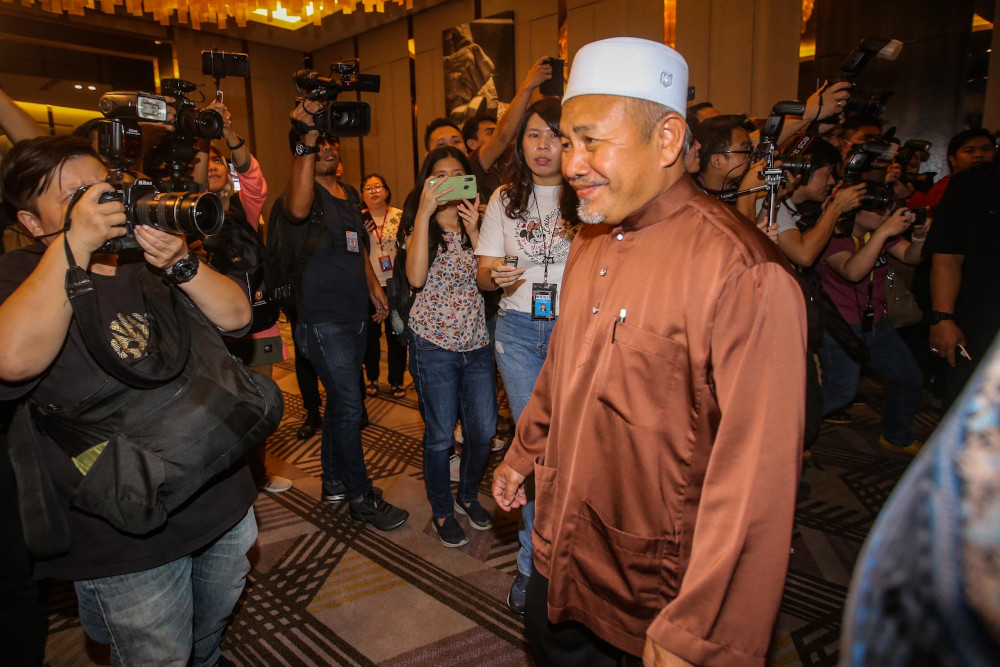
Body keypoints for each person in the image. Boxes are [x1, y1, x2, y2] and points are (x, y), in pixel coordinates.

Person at [492, 37, 807, 666]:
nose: (569, 162)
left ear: (667, 140)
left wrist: (701, 631)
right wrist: (522, 455)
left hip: (652, 589)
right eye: (565, 142)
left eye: (589, 141)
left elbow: (756, 480)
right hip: (560, 548)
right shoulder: (590, 239)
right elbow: (560, 374)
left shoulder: (742, 272)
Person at [0, 135, 259, 665]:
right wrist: (72, 247)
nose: (97, 203)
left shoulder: (145, 255)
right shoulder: (20, 273)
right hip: (124, 519)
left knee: (210, 627)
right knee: (156, 652)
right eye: (72, 196)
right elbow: (13, 360)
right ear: (31, 222)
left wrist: (182, 263)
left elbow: (237, 317)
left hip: (216, 483)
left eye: (101, 188)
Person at [282, 100, 408, 530]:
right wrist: (305, 138)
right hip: (321, 318)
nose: (327, 149)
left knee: (340, 404)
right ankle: (358, 495)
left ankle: (334, 481)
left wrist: (375, 289)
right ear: (305, 149)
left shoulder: (349, 194)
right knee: (352, 408)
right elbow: (296, 213)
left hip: (354, 315)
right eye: (318, 144)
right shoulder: (302, 192)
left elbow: (359, 251)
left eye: (331, 142)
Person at [474, 96, 570, 614]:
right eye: (533, 135)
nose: (542, 146)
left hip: (575, 333)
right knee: (536, 449)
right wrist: (498, 277)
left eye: (554, 135)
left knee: (574, 448)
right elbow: (483, 270)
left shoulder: (587, 195)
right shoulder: (504, 199)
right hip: (516, 332)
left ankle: (572, 564)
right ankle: (532, 568)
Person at [404, 147, 495, 548]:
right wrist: (424, 213)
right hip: (434, 344)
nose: (449, 181)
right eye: (439, 175)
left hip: (476, 343)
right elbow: (416, 279)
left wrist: (477, 231)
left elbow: (489, 279)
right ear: (427, 182)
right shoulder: (418, 224)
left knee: (484, 431)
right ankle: (443, 509)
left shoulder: (483, 221)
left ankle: (468, 494)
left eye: (457, 173)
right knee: (440, 436)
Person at [201, 137, 293, 494]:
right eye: (205, 161)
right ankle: (218, 483)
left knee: (259, 401)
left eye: (218, 162)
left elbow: (255, 180)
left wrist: (231, 138)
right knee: (215, 408)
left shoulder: (245, 208)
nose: (213, 166)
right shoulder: (182, 214)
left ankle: (257, 475)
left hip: (258, 325)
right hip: (209, 333)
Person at [816, 206, 928, 454]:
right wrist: (884, 232)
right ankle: (791, 434)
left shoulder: (879, 233)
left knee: (908, 377)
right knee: (840, 392)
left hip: (875, 322)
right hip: (840, 326)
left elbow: (911, 256)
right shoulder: (834, 236)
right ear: (856, 211)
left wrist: (920, 237)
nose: (885, 212)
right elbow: (853, 271)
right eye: (878, 207)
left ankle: (895, 436)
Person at [360, 173, 407, 398]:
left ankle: (396, 379)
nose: (374, 191)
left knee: (396, 332)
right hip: (369, 284)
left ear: (387, 191)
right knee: (370, 335)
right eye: (368, 188)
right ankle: (372, 377)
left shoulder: (399, 216)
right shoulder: (358, 219)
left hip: (395, 284)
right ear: (362, 195)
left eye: (378, 187)